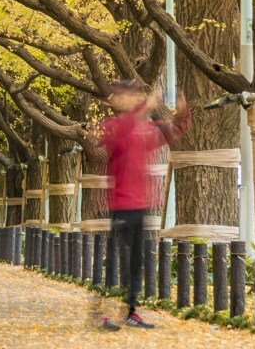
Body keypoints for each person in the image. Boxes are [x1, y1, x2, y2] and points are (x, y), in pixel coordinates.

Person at [94, 81, 190, 330]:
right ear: (116, 100)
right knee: (116, 259)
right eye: (127, 96)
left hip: (141, 205)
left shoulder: (145, 129)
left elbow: (175, 130)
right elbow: (125, 131)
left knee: (137, 261)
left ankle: (131, 312)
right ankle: (102, 312)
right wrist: (147, 106)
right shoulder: (113, 126)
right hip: (121, 204)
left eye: (135, 96)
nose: (133, 100)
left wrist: (182, 109)